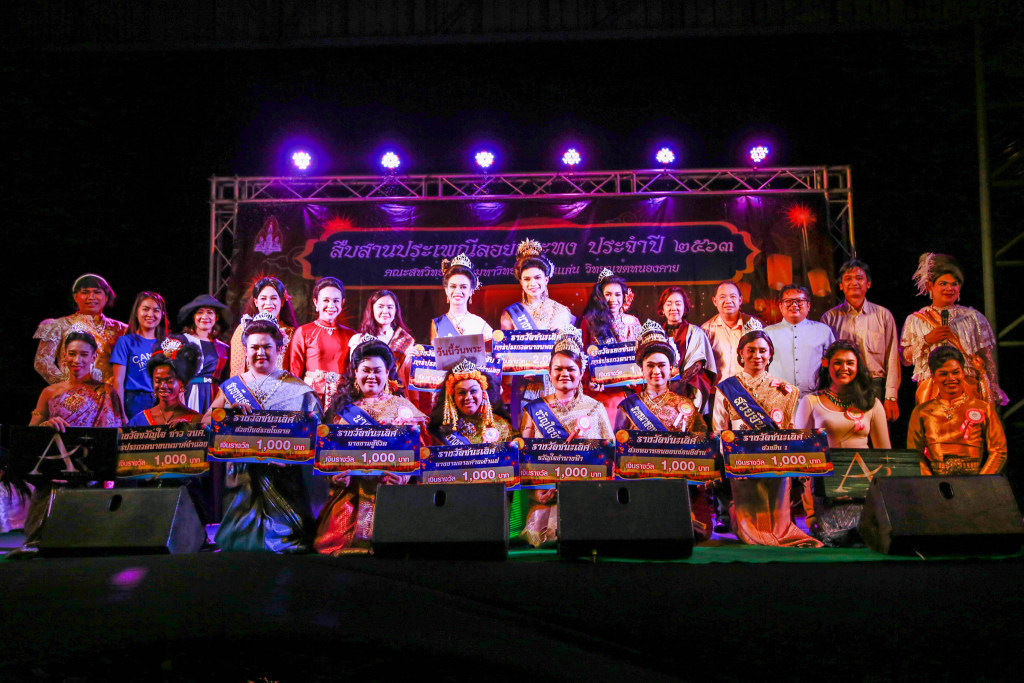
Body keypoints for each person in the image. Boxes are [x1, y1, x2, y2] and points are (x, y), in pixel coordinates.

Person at [204, 314, 322, 553]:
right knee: (238, 546)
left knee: (289, 540)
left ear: (278, 349)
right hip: (243, 475)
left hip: (283, 475)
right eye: (254, 347)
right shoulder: (232, 387)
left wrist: (290, 456)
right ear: (246, 350)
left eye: (267, 347)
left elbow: (316, 433)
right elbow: (207, 421)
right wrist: (227, 415)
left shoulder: (299, 390)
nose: (260, 352)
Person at [314, 339, 428, 555]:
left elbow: (421, 454)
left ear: (388, 373)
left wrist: (404, 477)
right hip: (350, 495)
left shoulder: (402, 407)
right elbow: (326, 454)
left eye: (377, 371)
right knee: (333, 544)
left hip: (390, 495)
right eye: (366, 370)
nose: (371, 376)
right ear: (356, 372)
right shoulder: (340, 409)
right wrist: (333, 476)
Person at [712, 331, 821, 547]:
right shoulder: (727, 388)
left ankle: (778, 531)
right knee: (749, 528)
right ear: (741, 353)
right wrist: (728, 462)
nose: (757, 355)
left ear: (770, 354)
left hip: (776, 463)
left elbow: (790, 430)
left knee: (778, 524)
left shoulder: (785, 390)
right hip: (741, 463)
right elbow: (719, 430)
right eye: (751, 350)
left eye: (762, 350)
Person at [614, 320, 712, 541]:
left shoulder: (686, 406)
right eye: (650, 365)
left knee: (699, 531)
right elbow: (617, 452)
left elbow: (702, 449)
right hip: (640, 485)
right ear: (641, 369)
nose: (656, 371)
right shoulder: (627, 407)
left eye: (661, 365)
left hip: (678, 486)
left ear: (672, 369)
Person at [25, 330, 125, 543]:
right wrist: (46, 425)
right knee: (43, 540)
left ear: (93, 357)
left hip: (90, 476)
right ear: (63, 356)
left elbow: (112, 437)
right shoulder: (49, 392)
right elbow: (31, 432)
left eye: (83, 354)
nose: (77, 360)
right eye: (71, 354)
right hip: (54, 473)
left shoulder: (107, 392)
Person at [519, 327, 613, 547]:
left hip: (587, 497)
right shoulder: (533, 409)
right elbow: (524, 457)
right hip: (545, 498)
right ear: (549, 372)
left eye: (571, 369)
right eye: (558, 369)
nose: (564, 374)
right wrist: (536, 490)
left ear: (581, 372)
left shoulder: (596, 408)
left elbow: (609, 456)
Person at [794, 340, 892, 545]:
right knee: (836, 537)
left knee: (870, 535)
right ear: (827, 364)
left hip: (865, 489)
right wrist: (810, 512)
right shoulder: (811, 402)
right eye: (838, 362)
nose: (844, 368)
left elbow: (885, 456)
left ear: (858, 366)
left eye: (850, 363)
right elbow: (801, 459)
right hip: (826, 489)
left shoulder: (872, 403)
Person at [901, 253, 1006, 406]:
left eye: (954, 284)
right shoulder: (916, 320)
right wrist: (926, 340)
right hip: (931, 391)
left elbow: (987, 359)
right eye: (943, 284)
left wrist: (992, 388)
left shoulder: (973, 318)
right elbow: (905, 359)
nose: (949, 289)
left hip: (967, 389)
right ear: (930, 286)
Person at [501, 239, 576, 426]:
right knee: (524, 433)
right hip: (523, 386)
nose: (532, 283)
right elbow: (504, 354)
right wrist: (518, 369)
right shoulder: (510, 314)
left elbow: (572, 352)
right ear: (520, 281)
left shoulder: (562, 312)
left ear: (546, 279)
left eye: (537, 277)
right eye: (527, 279)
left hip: (555, 385)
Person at [820, 260, 902, 421]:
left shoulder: (883, 315)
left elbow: (893, 357)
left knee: (878, 434)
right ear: (841, 285)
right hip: (842, 386)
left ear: (868, 283)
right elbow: (824, 360)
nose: (854, 283)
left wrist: (891, 397)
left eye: (859, 278)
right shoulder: (829, 318)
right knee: (846, 433)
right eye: (848, 278)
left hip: (875, 385)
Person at [907, 347, 1006, 476]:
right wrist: (931, 483)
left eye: (956, 372)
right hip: (935, 483)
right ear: (933, 377)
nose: (951, 378)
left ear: (963, 373)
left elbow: (999, 450)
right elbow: (914, 455)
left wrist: (981, 481)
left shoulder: (983, 408)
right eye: (943, 374)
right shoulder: (921, 412)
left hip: (975, 482)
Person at [34, 274, 127, 385]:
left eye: (97, 292)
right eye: (85, 292)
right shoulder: (59, 325)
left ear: (106, 297)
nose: (91, 297)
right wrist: (70, 386)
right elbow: (42, 361)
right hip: (72, 393)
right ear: (75, 297)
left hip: (111, 392)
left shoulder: (122, 329)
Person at [581, 268, 642, 425]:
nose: (613, 299)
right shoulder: (589, 322)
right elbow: (581, 357)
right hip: (601, 391)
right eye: (607, 294)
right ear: (600, 296)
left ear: (624, 296)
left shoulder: (633, 322)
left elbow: (642, 355)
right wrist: (588, 381)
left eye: (617, 294)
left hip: (629, 389)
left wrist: (638, 377)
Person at [289, 277, 356, 409]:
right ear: (316, 302)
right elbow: (295, 371)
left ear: (342, 303)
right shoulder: (303, 332)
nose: (331, 305)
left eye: (336, 301)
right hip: (311, 396)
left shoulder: (351, 335)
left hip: (342, 396)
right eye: (326, 300)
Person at [765, 284, 835, 395]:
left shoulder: (823, 331)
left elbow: (834, 363)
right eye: (788, 301)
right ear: (780, 306)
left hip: (815, 397)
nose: (794, 304)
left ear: (808, 306)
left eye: (800, 300)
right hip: (778, 397)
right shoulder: (767, 333)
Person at [427, 360, 518, 446]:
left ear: (483, 393)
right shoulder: (439, 430)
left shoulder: (501, 426)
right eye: (461, 392)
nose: (468, 397)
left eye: (473, 391)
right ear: (452, 396)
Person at [111, 291, 168, 422]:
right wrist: (121, 413)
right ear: (136, 313)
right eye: (145, 309)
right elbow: (118, 381)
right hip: (134, 402)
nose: (150, 314)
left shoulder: (166, 344)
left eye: (156, 310)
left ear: (162, 314)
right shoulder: (125, 342)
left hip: (162, 400)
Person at [659, 286, 717, 412]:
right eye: (668, 304)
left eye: (678, 303)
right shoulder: (657, 334)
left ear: (685, 308)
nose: (673, 308)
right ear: (662, 309)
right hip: (661, 389)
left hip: (688, 389)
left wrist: (678, 384)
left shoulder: (695, 332)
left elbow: (698, 363)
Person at [228, 277, 298, 376]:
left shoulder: (291, 333)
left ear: (282, 302)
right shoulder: (243, 329)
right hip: (250, 385)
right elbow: (237, 371)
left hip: (282, 384)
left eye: (273, 298)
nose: (268, 303)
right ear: (256, 302)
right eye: (263, 298)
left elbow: (295, 371)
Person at [126, 338, 203, 427]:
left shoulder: (197, 420)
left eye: (169, 381)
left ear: (183, 382)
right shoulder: (138, 421)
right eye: (157, 381)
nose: (163, 386)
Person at [701, 280, 762, 385]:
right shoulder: (706, 330)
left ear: (740, 300)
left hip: (749, 388)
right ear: (715, 301)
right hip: (719, 389)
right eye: (722, 297)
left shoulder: (754, 326)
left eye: (733, 296)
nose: (728, 301)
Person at [178, 294, 231, 413]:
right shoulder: (181, 342)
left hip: (215, 397)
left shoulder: (224, 348)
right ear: (193, 316)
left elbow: (226, 379)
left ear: (216, 317)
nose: (205, 316)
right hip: (186, 395)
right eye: (200, 312)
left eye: (210, 312)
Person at [351, 289, 416, 374]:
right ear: (372, 309)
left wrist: (408, 361)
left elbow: (409, 376)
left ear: (396, 310)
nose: (385, 311)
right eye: (380, 307)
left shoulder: (405, 340)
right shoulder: (358, 340)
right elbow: (355, 370)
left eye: (390, 307)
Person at [430, 254, 494, 339]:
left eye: (463, 287)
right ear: (446, 290)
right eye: (453, 286)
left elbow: (494, 346)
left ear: (471, 291)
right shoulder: (438, 324)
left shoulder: (480, 324)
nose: (458, 291)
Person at [0, 450, 33, 533]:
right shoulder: (27, 485)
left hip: (10, 534)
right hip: (28, 531)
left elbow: (3, 519)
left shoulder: (2, 489)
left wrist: (5, 536)